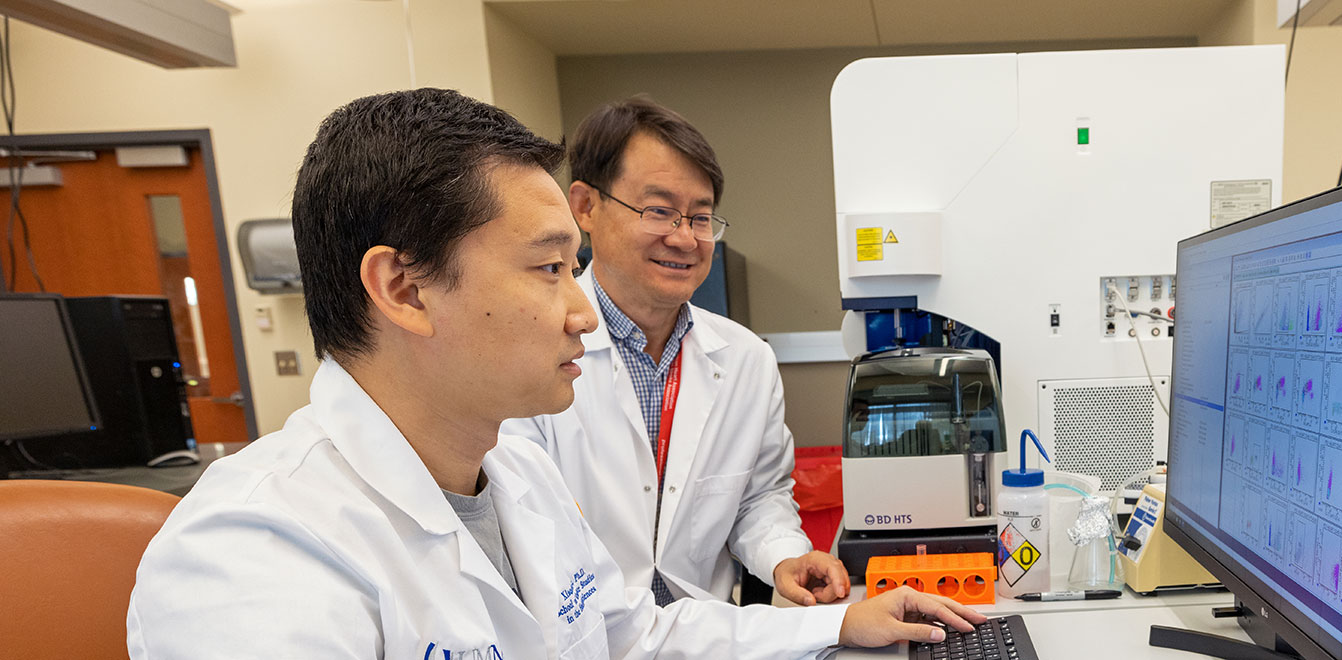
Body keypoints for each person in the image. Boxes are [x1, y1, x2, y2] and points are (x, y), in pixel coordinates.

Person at [125, 88, 979, 658]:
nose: (580, 312)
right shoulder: (251, 559)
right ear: (404, 288)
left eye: (701, 218)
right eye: (547, 270)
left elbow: (630, 633)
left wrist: (837, 622)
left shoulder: (515, 475)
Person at [502, 97, 850, 607]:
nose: (686, 238)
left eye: (701, 217)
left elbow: (758, 498)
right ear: (585, 207)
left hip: (707, 635)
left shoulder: (746, 360)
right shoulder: (528, 351)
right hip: (583, 634)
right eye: (660, 211)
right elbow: (523, 520)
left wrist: (785, 556)